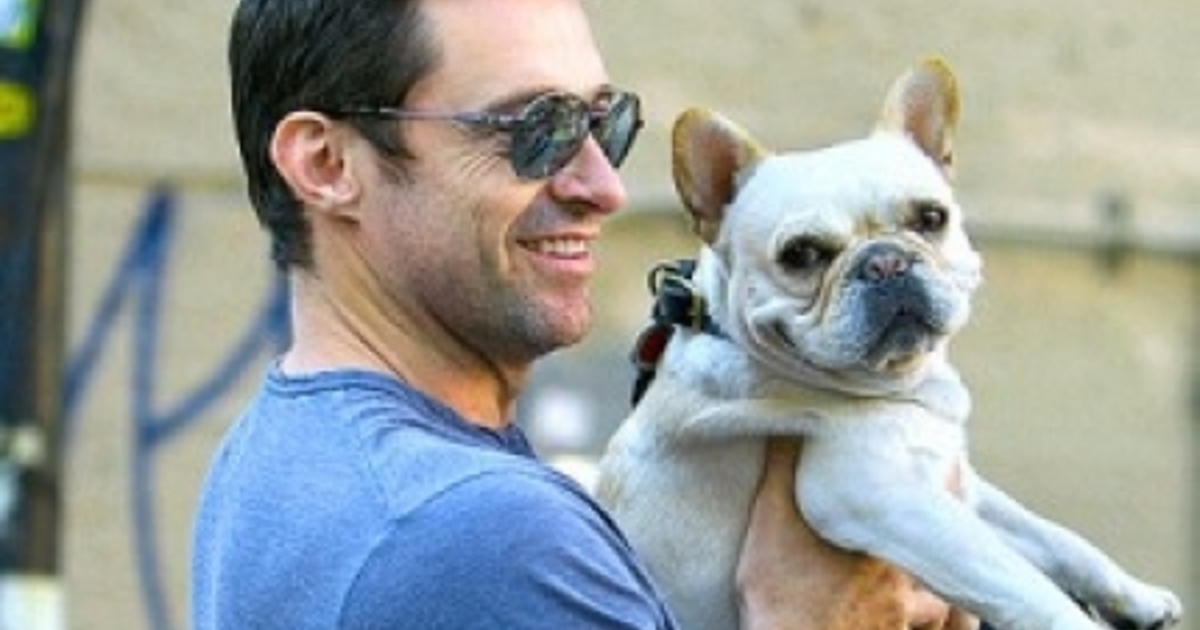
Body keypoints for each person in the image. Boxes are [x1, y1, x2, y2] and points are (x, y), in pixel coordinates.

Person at [191, 0, 964, 628]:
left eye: (604, 123)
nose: (603, 187)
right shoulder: (485, 531)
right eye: (534, 131)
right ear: (327, 165)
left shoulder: (278, 453)